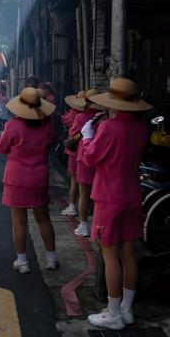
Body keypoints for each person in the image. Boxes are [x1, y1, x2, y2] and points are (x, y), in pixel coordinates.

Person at [78, 78, 152, 330]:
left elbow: (90, 158)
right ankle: (126, 309)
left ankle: (112, 314)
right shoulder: (141, 128)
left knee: (109, 256)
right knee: (129, 254)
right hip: (132, 194)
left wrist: (87, 138)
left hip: (109, 197)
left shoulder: (109, 127)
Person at [0, 87, 59, 274]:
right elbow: (51, 142)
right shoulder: (47, 125)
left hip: (17, 178)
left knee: (19, 220)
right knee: (43, 218)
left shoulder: (13, 126)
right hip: (39, 176)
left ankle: (22, 262)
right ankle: (52, 258)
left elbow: (1, 147)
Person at [69, 89, 107, 237]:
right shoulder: (105, 119)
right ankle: (98, 224)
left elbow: (72, 135)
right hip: (100, 159)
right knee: (98, 194)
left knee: (84, 194)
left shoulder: (80, 117)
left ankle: (84, 224)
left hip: (84, 157)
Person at [61, 90, 86, 218]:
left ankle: (72, 206)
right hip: (89, 153)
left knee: (75, 180)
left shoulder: (78, 116)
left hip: (75, 151)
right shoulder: (97, 117)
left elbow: (73, 132)